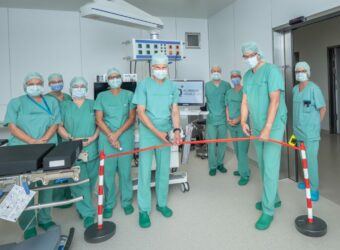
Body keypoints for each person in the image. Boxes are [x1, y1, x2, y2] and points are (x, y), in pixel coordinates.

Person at [3, 72, 61, 239]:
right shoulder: (16, 103)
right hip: (23, 150)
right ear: (25, 85)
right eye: (31, 83)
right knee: (23, 187)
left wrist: (45, 139)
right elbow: (12, 127)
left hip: (47, 147)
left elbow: (55, 123)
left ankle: (45, 218)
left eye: (38, 83)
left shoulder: (51, 102)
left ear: (42, 85)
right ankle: (28, 225)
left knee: (46, 185)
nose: (34, 86)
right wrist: (31, 141)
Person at [240, 42, 287, 230]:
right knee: (262, 163)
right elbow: (245, 101)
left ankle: (268, 210)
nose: (248, 58)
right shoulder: (247, 76)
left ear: (259, 54)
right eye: (245, 56)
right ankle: (274, 198)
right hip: (256, 125)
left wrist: (268, 128)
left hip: (273, 125)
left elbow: (275, 100)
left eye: (251, 55)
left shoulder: (272, 71)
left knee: (270, 165)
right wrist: (244, 121)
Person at [132, 54, 182, 228]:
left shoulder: (171, 86)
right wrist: (157, 133)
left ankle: (162, 204)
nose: (161, 70)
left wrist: (176, 130)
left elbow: (174, 111)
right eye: (157, 67)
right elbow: (140, 112)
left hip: (165, 131)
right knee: (145, 172)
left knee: (163, 170)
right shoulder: (144, 85)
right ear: (152, 68)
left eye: (163, 67)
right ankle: (144, 210)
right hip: (148, 132)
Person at [94, 67, 136, 219]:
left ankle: (126, 202)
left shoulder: (129, 95)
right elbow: (98, 119)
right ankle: (109, 204)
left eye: (117, 76)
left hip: (124, 136)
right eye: (111, 77)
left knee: (125, 172)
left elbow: (131, 118)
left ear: (121, 78)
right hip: (106, 138)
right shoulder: (101, 96)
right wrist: (111, 136)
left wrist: (117, 134)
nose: (115, 79)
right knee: (108, 174)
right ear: (107, 80)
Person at [58, 76, 99, 228]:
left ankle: (83, 205)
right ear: (71, 89)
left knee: (90, 182)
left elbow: (100, 123)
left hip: (91, 147)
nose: (79, 88)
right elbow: (59, 126)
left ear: (86, 89)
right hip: (72, 148)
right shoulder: (64, 106)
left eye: (82, 86)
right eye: (76, 86)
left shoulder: (93, 104)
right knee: (78, 182)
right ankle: (88, 214)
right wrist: (71, 138)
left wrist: (93, 138)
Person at [293, 62, 326, 202]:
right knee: (303, 159)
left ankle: (314, 188)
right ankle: (306, 182)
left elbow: (322, 108)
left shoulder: (314, 89)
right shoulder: (295, 89)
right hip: (298, 131)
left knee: (311, 161)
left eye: (303, 70)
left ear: (308, 72)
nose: (300, 73)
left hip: (310, 133)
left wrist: (315, 125)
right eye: (298, 71)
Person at [46, 73, 73, 207]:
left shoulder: (68, 97)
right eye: (54, 81)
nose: (57, 83)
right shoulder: (46, 99)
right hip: (55, 137)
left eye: (59, 81)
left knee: (69, 166)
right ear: (49, 84)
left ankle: (69, 194)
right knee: (56, 168)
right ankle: (57, 199)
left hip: (69, 135)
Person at [225, 70, 250, 186]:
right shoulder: (229, 92)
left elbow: (247, 107)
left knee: (242, 150)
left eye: (236, 76)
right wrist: (228, 119)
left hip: (242, 125)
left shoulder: (245, 91)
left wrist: (239, 119)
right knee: (236, 149)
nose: (234, 78)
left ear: (240, 77)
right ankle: (241, 169)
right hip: (231, 124)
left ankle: (245, 174)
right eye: (232, 76)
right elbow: (227, 107)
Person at [205, 65, 231, 176]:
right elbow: (201, 100)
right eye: (214, 71)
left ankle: (220, 164)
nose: (216, 73)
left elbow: (230, 102)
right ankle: (212, 166)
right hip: (211, 119)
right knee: (211, 143)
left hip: (223, 119)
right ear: (211, 73)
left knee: (222, 143)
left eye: (218, 71)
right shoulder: (206, 86)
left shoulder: (226, 85)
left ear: (221, 72)